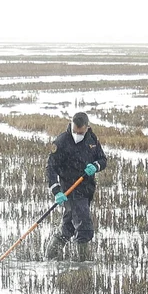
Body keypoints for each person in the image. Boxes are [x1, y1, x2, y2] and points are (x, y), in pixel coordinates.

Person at [47, 111, 107, 259]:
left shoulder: (92, 140)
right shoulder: (61, 142)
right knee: (84, 227)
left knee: (69, 226)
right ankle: (83, 265)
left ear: (87, 128)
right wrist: (56, 190)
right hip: (70, 190)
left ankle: (50, 257)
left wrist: (96, 166)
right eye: (75, 131)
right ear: (71, 126)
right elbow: (51, 167)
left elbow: (103, 159)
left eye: (80, 132)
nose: (77, 134)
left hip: (87, 189)